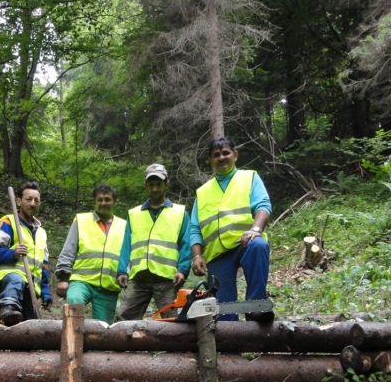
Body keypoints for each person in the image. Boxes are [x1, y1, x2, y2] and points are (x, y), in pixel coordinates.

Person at [190, 137, 273, 323]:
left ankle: (256, 306)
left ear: (235, 155)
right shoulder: (202, 192)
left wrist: (255, 229)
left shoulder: (249, 178)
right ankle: (230, 337)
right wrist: (197, 256)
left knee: (258, 245)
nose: (221, 158)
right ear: (210, 160)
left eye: (226, 153)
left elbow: (263, 205)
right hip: (217, 255)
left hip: (245, 243)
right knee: (224, 313)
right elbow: (195, 228)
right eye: (216, 155)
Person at [114, 163, 191, 321]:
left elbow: (185, 244)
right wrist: (122, 271)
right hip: (139, 277)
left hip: (168, 278)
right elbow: (126, 245)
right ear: (146, 185)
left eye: (158, 184)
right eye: (151, 184)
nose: (155, 189)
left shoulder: (179, 213)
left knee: (175, 321)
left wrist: (183, 270)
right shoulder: (134, 214)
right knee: (123, 318)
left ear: (166, 184)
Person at [55, 184, 126, 324]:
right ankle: (72, 337)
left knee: (103, 328)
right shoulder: (81, 221)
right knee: (74, 302)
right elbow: (68, 250)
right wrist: (63, 277)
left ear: (115, 202)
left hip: (109, 286)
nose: (103, 203)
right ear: (94, 202)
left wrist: (125, 273)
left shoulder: (124, 225)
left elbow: (128, 256)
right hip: (81, 281)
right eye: (100, 200)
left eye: (107, 199)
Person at [0, 181, 52, 326]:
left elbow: (44, 266)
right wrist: (13, 253)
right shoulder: (8, 223)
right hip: (12, 280)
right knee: (16, 282)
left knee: (31, 328)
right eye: (28, 199)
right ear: (18, 201)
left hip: (32, 289)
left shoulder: (41, 232)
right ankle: (7, 308)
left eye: (36, 200)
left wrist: (45, 292)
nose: (32, 203)